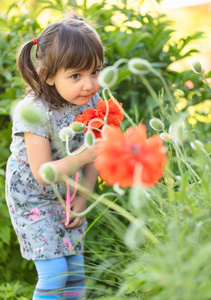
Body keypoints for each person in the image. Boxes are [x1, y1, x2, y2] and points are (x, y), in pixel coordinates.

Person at [5, 9, 104, 300]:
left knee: (74, 270)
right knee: (55, 273)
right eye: (76, 75)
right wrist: (85, 157)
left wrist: (83, 198)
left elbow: (95, 155)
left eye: (94, 72)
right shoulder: (34, 112)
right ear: (48, 76)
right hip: (32, 199)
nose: (89, 84)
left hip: (69, 194)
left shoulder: (90, 99)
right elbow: (42, 172)